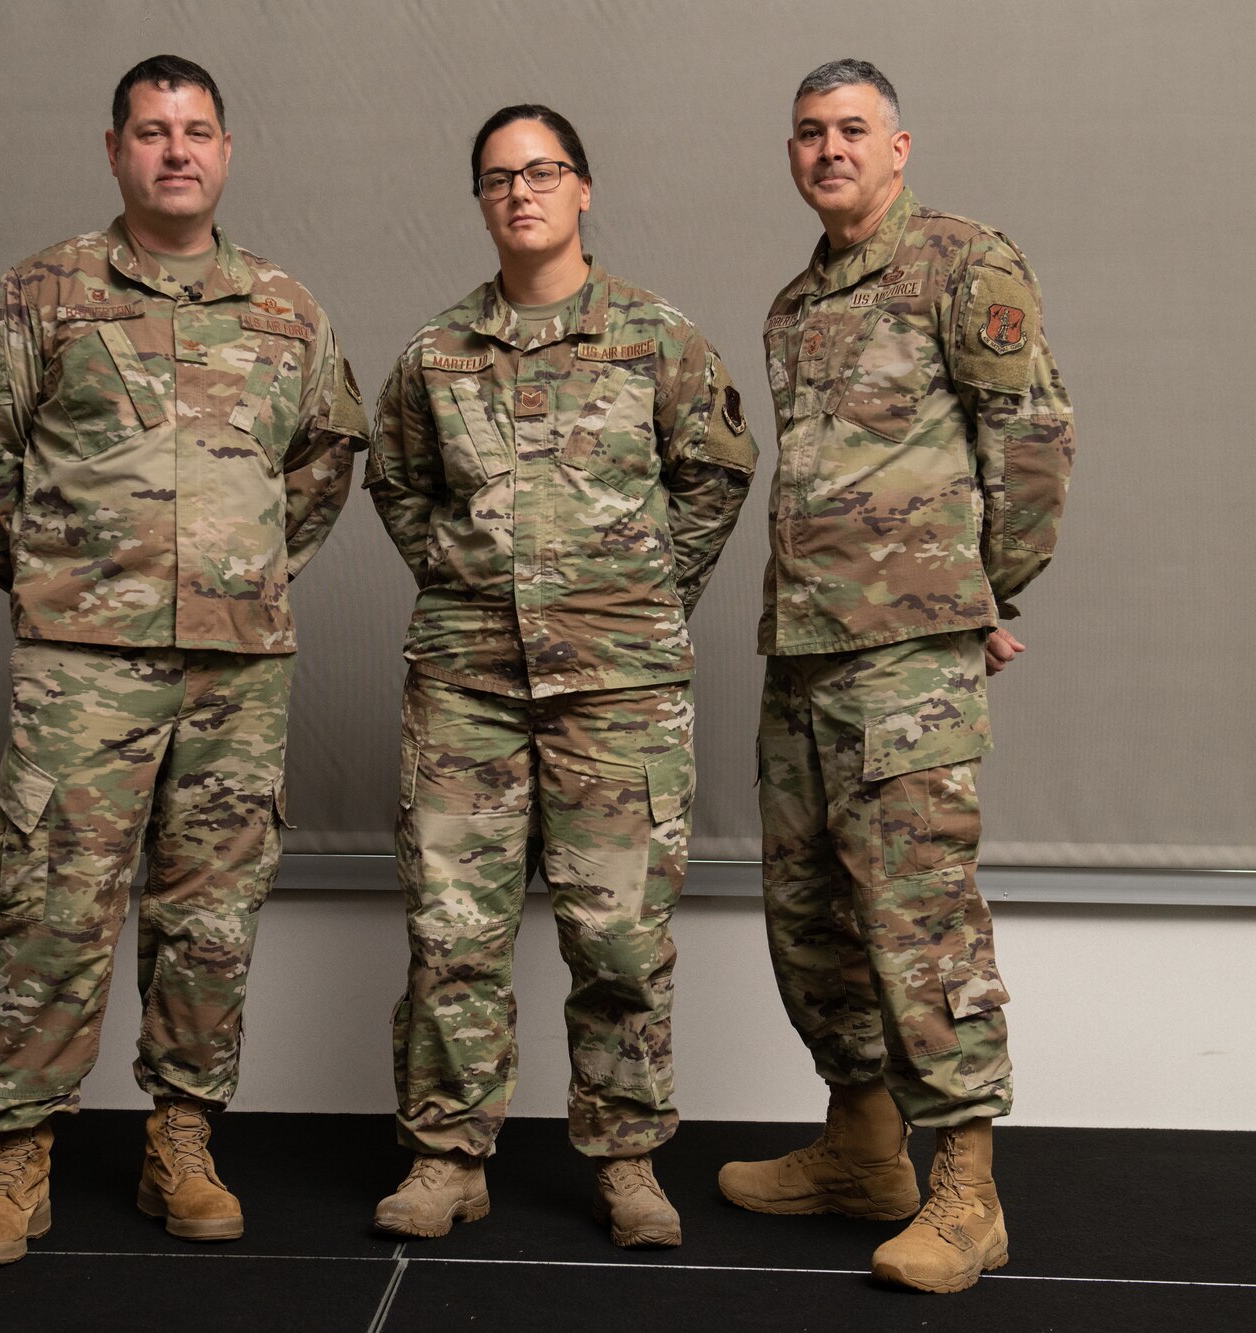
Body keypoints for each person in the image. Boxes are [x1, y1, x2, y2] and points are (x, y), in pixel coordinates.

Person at [0, 54, 368, 1266]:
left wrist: (240, 575)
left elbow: (323, 464)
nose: (177, 150)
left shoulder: (286, 311)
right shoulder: (40, 296)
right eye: (152, 131)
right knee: (53, 905)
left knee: (211, 914)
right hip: (83, 666)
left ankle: (182, 1138)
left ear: (226, 152)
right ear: (115, 149)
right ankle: (16, 1156)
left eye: (198, 131)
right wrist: (53, 579)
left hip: (237, 668)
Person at [365, 105, 757, 1249]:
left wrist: (634, 597)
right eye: (496, 178)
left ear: (583, 189)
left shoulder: (656, 338)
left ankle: (626, 1159)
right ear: (481, 202)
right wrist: (465, 579)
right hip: (466, 685)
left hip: (619, 689)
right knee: (452, 929)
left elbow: (715, 472)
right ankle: (446, 1154)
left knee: (620, 936)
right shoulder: (435, 354)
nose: (519, 192)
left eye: (541, 172)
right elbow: (396, 484)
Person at [717, 60, 1075, 1293]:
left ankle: (965, 1193)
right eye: (809, 133)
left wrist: (981, 595)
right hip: (802, 652)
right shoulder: (792, 305)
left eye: (852, 131)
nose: (829, 150)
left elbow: (1028, 436)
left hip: (906, 662)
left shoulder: (963, 265)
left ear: (899, 146)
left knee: (919, 920)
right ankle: (862, 1147)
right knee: (809, 914)